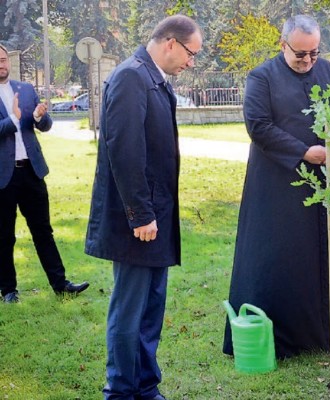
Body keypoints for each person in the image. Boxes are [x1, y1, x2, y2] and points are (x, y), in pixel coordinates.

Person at [223, 15, 330, 359]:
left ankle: (324, 334)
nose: (309, 60)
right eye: (301, 54)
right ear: (283, 45)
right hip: (276, 185)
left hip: (324, 181)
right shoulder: (261, 77)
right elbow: (258, 125)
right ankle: (279, 337)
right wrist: (302, 152)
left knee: (321, 257)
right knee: (277, 258)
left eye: (314, 53)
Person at [85, 15, 202, 399]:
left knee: (150, 310)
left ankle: (145, 386)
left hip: (156, 217)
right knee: (130, 311)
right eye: (190, 54)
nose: (191, 63)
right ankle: (120, 390)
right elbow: (124, 149)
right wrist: (141, 213)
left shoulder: (154, 78)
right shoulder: (130, 77)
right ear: (171, 43)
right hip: (137, 220)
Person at [0, 44, 89, 304]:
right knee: (4, 235)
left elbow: (45, 125)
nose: (1, 64)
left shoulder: (25, 89)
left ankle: (60, 284)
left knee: (43, 231)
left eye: (3, 59)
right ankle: (8, 290)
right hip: (3, 177)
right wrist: (13, 119)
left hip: (32, 171)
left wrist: (40, 117)